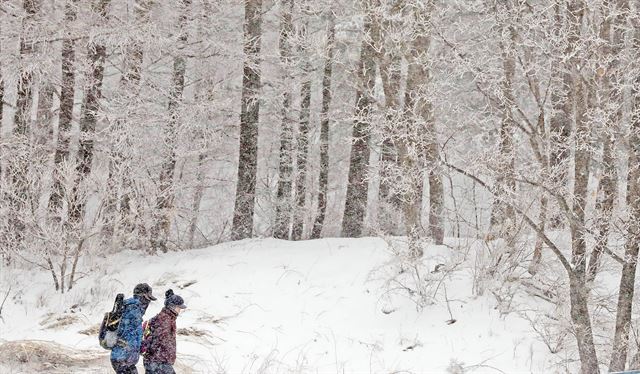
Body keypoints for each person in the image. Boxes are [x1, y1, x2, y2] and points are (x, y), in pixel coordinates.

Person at [111, 283, 157, 374]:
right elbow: (127, 335)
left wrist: (141, 345)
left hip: (124, 359)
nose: (148, 303)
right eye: (148, 299)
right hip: (122, 359)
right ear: (143, 296)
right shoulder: (133, 310)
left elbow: (133, 336)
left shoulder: (133, 309)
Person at [143, 289, 187, 374]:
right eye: (179, 307)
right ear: (172, 307)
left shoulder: (168, 318)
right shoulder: (164, 320)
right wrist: (162, 358)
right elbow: (159, 340)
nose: (180, 310)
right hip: (158, 362)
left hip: (158, 361)